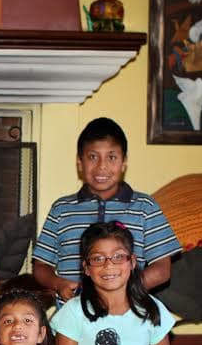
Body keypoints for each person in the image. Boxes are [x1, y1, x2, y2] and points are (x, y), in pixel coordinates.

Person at [31, 117, 180, 304]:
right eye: (93, 157)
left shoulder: (145, 207)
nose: (102, 166)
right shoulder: (62, 209)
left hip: (129, 311)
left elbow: (162, 269)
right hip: (75, 314)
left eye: (111, 157)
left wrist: (124, 293)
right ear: (79, 162)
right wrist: (58, 283)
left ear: (124, 162)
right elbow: (41, 266)